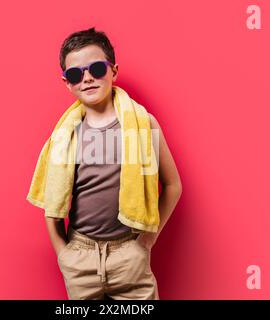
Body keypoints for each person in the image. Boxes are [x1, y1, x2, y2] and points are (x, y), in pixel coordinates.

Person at [29, 27, 182, 300]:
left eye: (97, 68)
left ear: (114, 71)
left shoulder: (143, 125)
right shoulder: (64, 135)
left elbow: (173, 185)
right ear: (67, 82)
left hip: (128, 254)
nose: (87, 78)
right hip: (80, 256)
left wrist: (146, 242)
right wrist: (62, 252)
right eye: (76, 74)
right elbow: (53, 200)